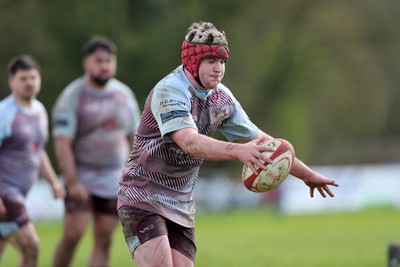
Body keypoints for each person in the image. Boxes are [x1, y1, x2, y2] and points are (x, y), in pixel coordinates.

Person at [116, 21, 340, 267]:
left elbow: (263, 143)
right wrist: (238, 151)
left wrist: (306, 175)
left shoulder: (222, 98)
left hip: (181, 202)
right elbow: (188, 142)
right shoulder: (170, 91)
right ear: (192, 61)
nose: (218, 69)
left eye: (222, 62)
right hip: (142, 194)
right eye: (211, 61)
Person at [51, 36, 141, 267]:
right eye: (99, 60)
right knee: (73, 234)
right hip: (82, 176)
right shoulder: (73, 96)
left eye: (109, 61)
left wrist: (135, 174)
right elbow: (62, 142)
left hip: (114, 178)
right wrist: (71, 182)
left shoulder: (124, 95)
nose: (104, 66)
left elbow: (134, 137)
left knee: (104, 238)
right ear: (86, 63)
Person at [0, 55, 66, 267]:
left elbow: (36, 151)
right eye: (23, 78)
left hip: (19, 194)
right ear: (11, 82)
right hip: (5, 193)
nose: (29, 82)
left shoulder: (39, 111)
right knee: (31, 245)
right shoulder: (5, 113)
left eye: (33, 77)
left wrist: (53, 182)